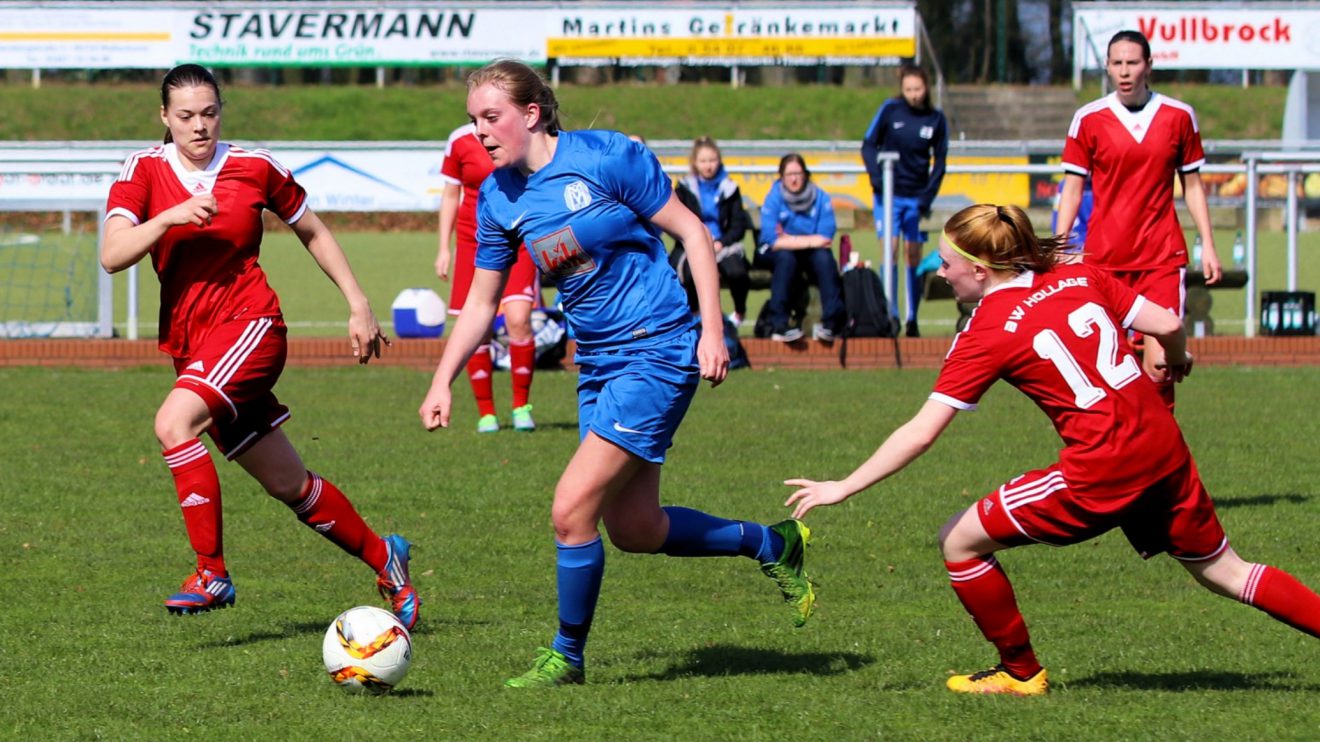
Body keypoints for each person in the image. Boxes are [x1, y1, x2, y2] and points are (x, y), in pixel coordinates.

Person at [783, 204, 1320, 696]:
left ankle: (1021, 672)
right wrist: (1174, 360)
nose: (940, 273)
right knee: (1227, 572)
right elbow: (1169, 323)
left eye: (946, 264)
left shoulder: (986, 330)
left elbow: (922, 432)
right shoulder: (1079, 273)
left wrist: (844, 486)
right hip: (1163, 447)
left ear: (980, 268)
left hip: (1104, 466)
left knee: (959, 541)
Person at [418, 59, 814, 688]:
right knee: (635, 529)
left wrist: (713, 331)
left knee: (571, 509)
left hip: (658, 349)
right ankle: (772, 544)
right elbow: (483, 301)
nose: (480, 132)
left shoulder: (607, 157)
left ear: (532, 113)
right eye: (472, 121)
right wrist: (442, 378)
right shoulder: (496, 196)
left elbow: (692, 232)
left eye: (491, 118)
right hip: (598, 364)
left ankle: (566, 656)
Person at [99, 64, 419, 629]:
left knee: (174, 423)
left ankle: (210, 572)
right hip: (193, 344)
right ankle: (383, 556)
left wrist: (358, 302)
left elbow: (313, 230)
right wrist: (169, 216)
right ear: (164, 117)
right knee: (287, 483)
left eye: (209, 113)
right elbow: (112, 252)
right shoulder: (143, 170)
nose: (200, 127)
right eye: (185, 116)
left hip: (251, 325)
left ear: (221, 110)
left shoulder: (255, 166)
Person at [1056, 29, 1221, 409]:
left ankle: (1161, 456)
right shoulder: (1088, 119)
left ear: (1149, 65)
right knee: (1110, 367)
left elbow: (1192, 186)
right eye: (1117, 63)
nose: (1125, 71)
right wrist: (1059, 245)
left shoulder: (1178, 116)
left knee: (1161, 364)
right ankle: (1120, 455)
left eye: (1133, 62)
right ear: (1107, 68)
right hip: (1105, 260)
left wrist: (1208, 245)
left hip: (1162, 258)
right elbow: (1072, 190)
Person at [436, 121, 541, 433]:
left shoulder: (520, 133)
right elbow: (450, 195)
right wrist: (444, 247)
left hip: (520, 237)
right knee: (477, 328)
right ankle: (487, 413)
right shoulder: (458, 140)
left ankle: (522, 406)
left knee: (519, 319)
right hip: (473, 242)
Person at [861, 64, 948, 338]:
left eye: (917, 89)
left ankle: (912, 318)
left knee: (913, 254)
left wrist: (927, 196)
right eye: (908, 89)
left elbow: (940, 162)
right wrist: (877, 179)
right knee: (890, 249)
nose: (912, 94)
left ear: (926, 88)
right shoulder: (889, 110)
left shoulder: (935, 119)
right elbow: (867, 145)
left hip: (916, 198)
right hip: (887, 197)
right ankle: (891, 315)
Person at [757, 153, 846, 343]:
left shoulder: (820, 197)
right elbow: (772, 239)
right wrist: (807, 240)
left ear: (805, 174)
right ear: (781, 176)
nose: (794, 178)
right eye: (789, 174)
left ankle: (832, 323)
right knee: (786, 258)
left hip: (808, 253)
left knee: (824, 258)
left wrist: (790, 238)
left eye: (798, 173)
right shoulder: (773, 198)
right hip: (775, 254)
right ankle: (779, 324)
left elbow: (825, 237)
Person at [670, 136, 752, 326]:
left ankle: (739, 313)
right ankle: (697, 314)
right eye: (704, 161)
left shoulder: (730, 188)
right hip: (692, 244)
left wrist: (721, 242)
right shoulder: (684, 188)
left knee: (737, 272)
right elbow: (676, 221)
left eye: (712, 160)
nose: (708, 166)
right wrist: (698, 242)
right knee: (689, 272)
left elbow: (738, 225)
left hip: (723, 245)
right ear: (695, 163)